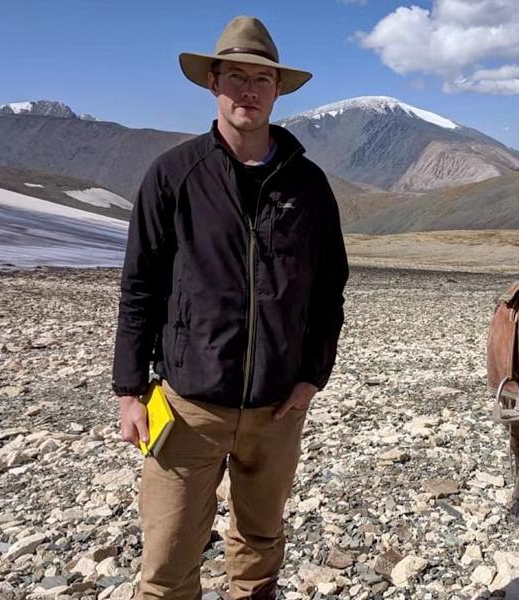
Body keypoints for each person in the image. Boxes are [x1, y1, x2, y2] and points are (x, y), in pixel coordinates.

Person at [111, 15, 347, 599]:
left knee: (261, 549)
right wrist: (128, 389)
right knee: (166, 560)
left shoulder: (309, 186)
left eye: (261, 79)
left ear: (277, 90)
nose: (248, 90)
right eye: (235, 77)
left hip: (276, 411)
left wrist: (313, 375)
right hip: (188, 405)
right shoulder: (174, 176)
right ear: (213, 83)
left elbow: (328, 290)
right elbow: (139, 285)